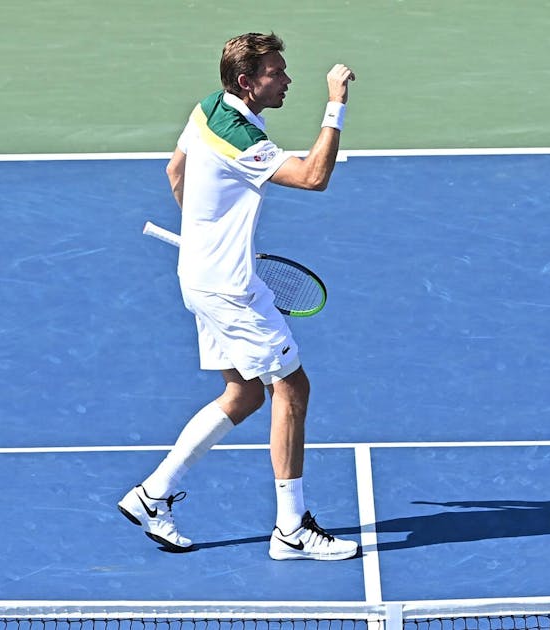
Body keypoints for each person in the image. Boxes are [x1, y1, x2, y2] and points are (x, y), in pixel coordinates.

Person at [118, 32, 359, 561]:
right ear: (247, 82)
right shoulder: (244, 139)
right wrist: (336, 104)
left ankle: (151, 496)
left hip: (200, 277)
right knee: (291, 388)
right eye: (277, 72)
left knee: (246, 393)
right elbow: (314, 176)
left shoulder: (208, 110)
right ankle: (291, 530)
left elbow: (175, 172)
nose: (288, 79)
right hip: (229, 288)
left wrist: (207, 236)